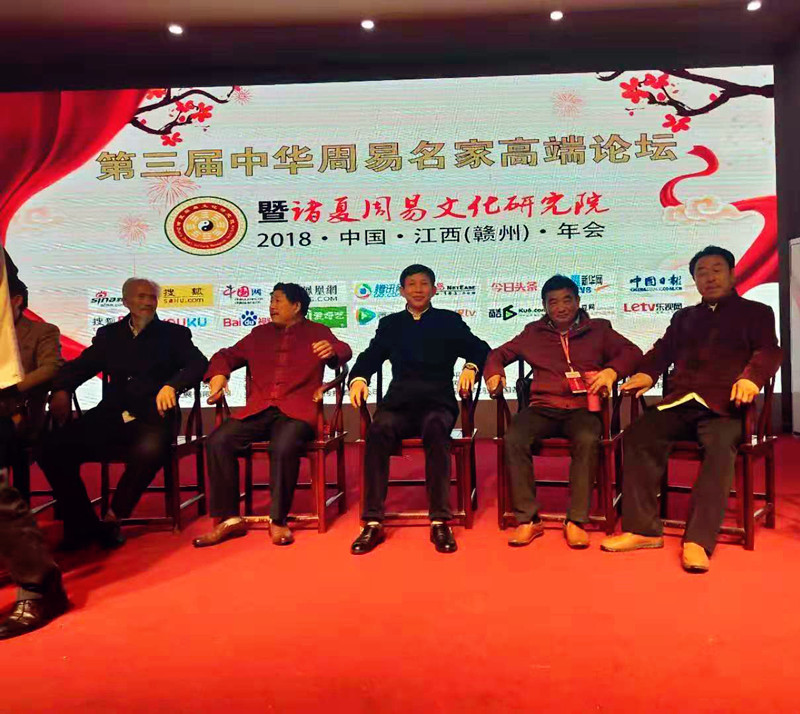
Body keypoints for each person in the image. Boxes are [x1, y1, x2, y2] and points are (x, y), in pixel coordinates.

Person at [601, 246, 782, 573]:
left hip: (727, 407)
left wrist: (751, 378)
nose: (709, 277)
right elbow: (662, 351)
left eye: (717, 270)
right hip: (681, 403)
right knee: (640, 433)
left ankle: (698, 540)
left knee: (719, 447)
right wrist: (647, 373)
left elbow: (769, 351)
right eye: (701, 272)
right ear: (695, 280)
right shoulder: (684, 318)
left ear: (732, 274)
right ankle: (643, 530)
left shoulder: (757, 313)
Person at [39, 278, 208, 549]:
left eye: (152, 297)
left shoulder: (174, 335)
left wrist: (172, 385)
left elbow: (198, 364)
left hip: (154, 418)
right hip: (112, 416)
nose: (148, 302)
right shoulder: (110, 335)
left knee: (150, 450)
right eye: (141, 297)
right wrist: (62, 389)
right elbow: (81, 366)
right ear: (126, 301)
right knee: (51, 447)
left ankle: (113, 518)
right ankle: (82, 523)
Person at [484, 274, 642, 548]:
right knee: (515, 438)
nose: (561, 307)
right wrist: (494, 373)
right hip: (543, 408)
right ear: (544, 306)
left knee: (587, 439)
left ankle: (576, 520)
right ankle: (528, 519)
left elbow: (633, 352)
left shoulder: (599, 330)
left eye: (567, 300)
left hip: (583, 409)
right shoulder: (533, 333)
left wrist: (611, 371)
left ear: (578, 301)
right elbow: (497, 354)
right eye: (553, 302)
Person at [193, 283, 352, 548]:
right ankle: (229, 519)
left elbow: (343, 349)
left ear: (296, 306)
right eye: (271, 301)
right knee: (218, 441)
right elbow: (226, 355)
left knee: (283, 445)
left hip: (298, 413)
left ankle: (278, 520)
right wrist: (219, 374)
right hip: (259, 410)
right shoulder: (259, 334)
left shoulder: (317, 332)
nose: (272, 306)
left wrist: (334, 351)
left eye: (278, 301)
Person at [348, 264, 490, 555]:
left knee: (436, 430)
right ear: (402, 291)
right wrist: (359, 378)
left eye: (424, 284)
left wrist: (472, 366)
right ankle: (372, 521)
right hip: (398, 405)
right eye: (411, 284)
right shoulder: (391, 325)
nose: (418, 289)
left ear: (434, 289)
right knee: (378, 429)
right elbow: (371, 356)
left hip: (437, 404)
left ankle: (440, 520)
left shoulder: (448, 321)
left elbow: (480, 348)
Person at [0, 276, 62, 481]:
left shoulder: (42, 331)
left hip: (20, 410)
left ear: (16, 300)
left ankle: (11, 498)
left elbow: (51, 368)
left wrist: (12, 387)